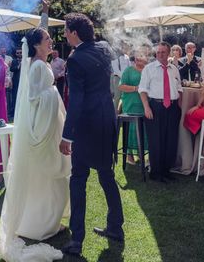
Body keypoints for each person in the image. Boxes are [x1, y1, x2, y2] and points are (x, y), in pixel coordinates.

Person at [0, 0, 70, 261]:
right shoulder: (37, 66)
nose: (51, 42)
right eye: (47, 39)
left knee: (53, 178)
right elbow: (35, 101)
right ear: (37, 45)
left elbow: (38, 36)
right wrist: (53, 101)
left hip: (51, 126)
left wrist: (45, 15)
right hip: (44, 131)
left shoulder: (38, 61)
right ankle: (41, 225)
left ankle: (48, 222)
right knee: (46, 176)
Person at [59, 13, 124, 257]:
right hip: (107, 120)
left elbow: (76, 102)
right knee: (107, 175)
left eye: (66, 30)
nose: (64, 34)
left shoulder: (75, 60)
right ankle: (116, 227)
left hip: (87, 127)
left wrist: (67, 137)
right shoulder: (104, 48)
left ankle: (77, 240)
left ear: (74, 32)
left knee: (78, 180)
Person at [139, 41, 183, 182]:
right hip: (155, 107)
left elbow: (179, 87)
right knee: (156, 141)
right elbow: (142, 90)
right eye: (158, 52)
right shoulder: (149, 69)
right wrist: (146, 107)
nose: (160, 54)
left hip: (172, 107)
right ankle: (156, 173)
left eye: (163, 52)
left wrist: (179, 105)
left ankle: (166, 170)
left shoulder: (174, 69)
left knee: (170, 141)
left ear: (168, 53)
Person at [118, 50, 148, 165]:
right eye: (137, 57)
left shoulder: (148, 70)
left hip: (145, 104)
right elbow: (121, 86)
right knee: (131, 129)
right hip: (130, 104)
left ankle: (142, 154)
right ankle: (129, 155)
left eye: (141, 56)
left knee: (144, 128)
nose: (138, 58)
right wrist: (136, 88)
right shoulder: (128, 70)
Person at [111, 45, 131, 112]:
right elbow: (116, 69)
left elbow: (130, 67)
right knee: (117, 96)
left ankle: (124, 111)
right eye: (124, 47)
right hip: (118, 78)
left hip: (127, 79)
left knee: (126, 96)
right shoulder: (114, 57)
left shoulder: (126, 57)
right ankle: (115, 113)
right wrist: (123, 77)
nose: (125, 49)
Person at [9, 48, 22, 120]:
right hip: (16, 82)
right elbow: (11, 69)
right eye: (18, 53)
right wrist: (18, 66)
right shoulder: (14, 61)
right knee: (15, 97)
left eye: (20, 52)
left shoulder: (27, 60)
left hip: (24, 81)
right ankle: (13, 113)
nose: (19, 54)